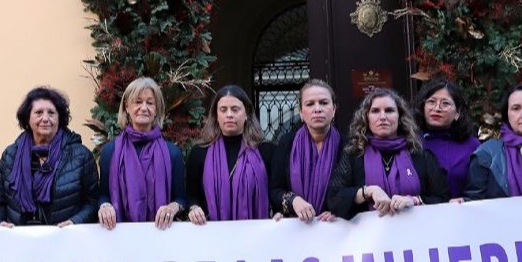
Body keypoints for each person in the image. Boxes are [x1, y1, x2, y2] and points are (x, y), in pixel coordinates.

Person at [327, 88, 449, 218]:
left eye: (389, 110)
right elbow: (333, 200)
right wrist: (368, 191)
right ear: (366, 118)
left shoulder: (420, 155)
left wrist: (414, 200)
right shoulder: (354, 155)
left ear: (400, 117)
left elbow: (443, 197)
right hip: (370, 231)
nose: (383, 117)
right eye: (375, 111)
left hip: (415, 229)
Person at [0, 87, 98, 226]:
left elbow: (92, 202)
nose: (45, 119)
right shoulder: (10, 155)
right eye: (39, 113)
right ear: (27, 118)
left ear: (60, 118)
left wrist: (74, 222)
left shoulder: (81, 155)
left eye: (51, 113)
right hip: (19, 237)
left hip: (65, 236)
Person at [97, 77, 187, 229]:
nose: (144, 108)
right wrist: (105, 206)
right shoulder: (110, 151)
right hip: (119, 236)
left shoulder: (172, 153)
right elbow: (103, 195)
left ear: (156, 109)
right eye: (138, 102)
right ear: (127, 107)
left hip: (161, 234)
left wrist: (172, 208)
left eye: (150, 103)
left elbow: (181, 199)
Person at [185, 85, 275, 225]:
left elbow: (275, 193)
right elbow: (191, 196)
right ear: (216, 115)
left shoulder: (266, 151)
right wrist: (194, 208)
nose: (229, 115)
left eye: (235, 109)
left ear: (246, 114)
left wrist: (278, 212)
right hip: (211, 233)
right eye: (223, 110)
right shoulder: (199, 152)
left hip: (255, 234)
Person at [270, 79, 343, 222]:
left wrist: (339, 210)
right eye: (310, 104)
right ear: (301, 113)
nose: (317, 109)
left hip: (334, 229)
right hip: (297, 227)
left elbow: (353, 190)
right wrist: (293, 201)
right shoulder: (287, 143)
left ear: (334, 110)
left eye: (324, 102)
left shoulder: (347, 145)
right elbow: (275, 190)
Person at [413, 79, 480, 200]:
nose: (437, 108)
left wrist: (466, 201)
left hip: (460, 210)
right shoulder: (411, 141)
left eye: (445, 103)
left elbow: (480, 189)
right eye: (431, 102)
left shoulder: (472, 145)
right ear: (423, 107)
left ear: (457, 113)